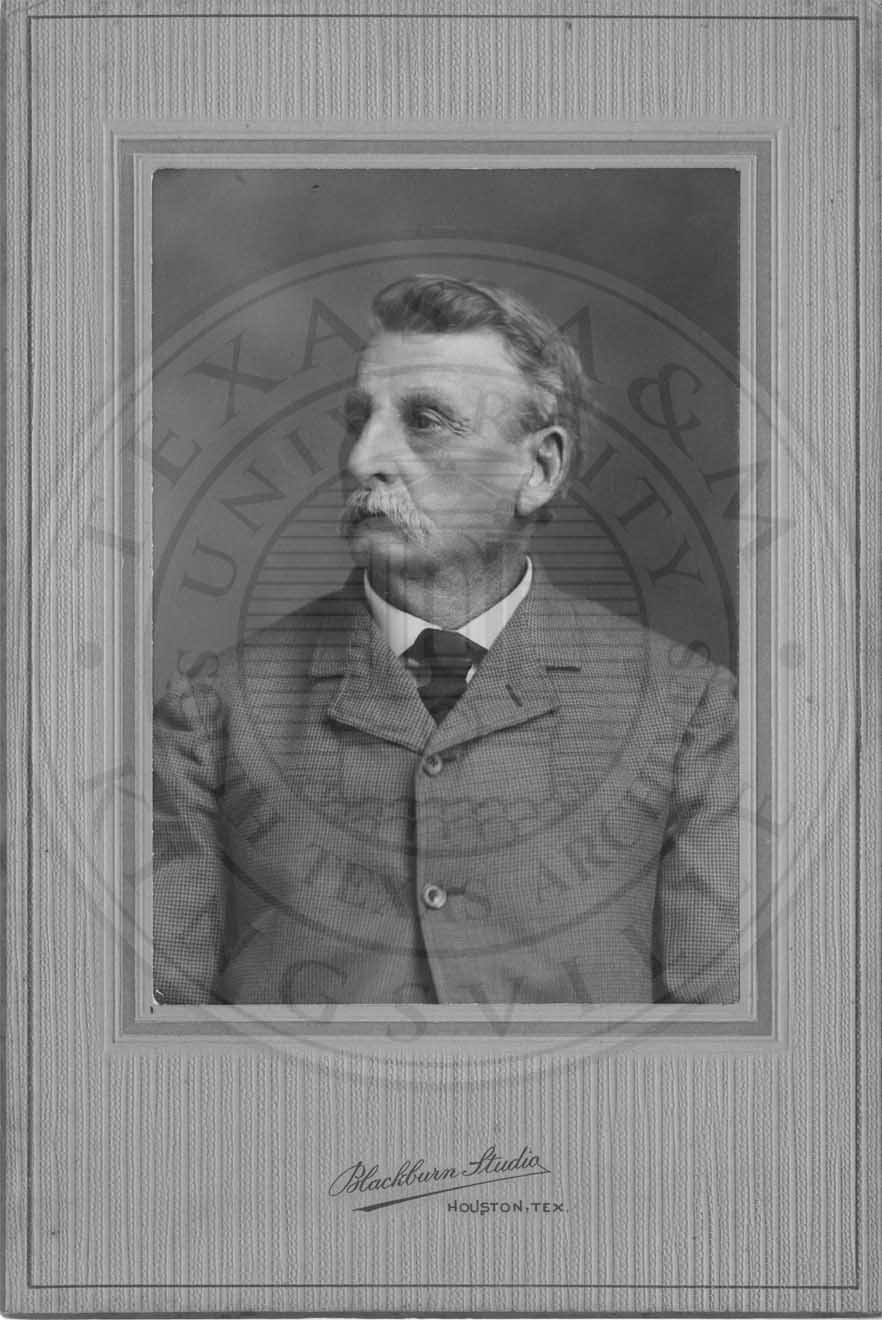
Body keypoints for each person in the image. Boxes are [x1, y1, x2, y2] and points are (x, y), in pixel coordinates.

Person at [153, 274, 740, 1005]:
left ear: (540, 469)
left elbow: (716, 1040)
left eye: (425, 420)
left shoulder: (686, 710)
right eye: (359, 419)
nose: (363, 458)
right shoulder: (211, 714)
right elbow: (160, 1039)